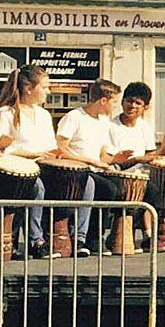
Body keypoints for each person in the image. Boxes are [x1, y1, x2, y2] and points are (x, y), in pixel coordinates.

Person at [0, 64, 58, 259]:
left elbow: (50, 144)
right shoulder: (5, 113)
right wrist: (31, 155)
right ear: (29, 89)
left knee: (86, 184)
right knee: (37, 187)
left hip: (41, 165)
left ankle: (76, 239)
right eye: (44, 87)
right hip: (11, 170)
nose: (48, 91)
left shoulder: (44, 115)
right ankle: (36, 241)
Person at [56, 79, 130, 256]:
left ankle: (95, 236)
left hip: (94, 169)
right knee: (106, 188)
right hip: (74, 170)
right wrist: (90, 161)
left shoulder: (104, 122)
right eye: (114, 102)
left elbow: (102, 155)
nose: (115, 107)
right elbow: (60, 149)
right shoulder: (74, 117)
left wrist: (116, 160)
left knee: (115, 188)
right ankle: (84, 237)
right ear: (103, 101)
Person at [107, 82, 165, 251]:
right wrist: (138, 159)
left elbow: (151, 155)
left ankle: (147, 235)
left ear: (145, 107)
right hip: (116, 174)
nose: (132, 106)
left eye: (138, 103)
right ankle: (120, 236)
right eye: (129, 101)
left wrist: (164, 149)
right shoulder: (111, 126)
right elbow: (112, 160)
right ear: (122, 102)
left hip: (139, 176)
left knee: (154, 190)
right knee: (143, 190)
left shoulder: (144, 127)